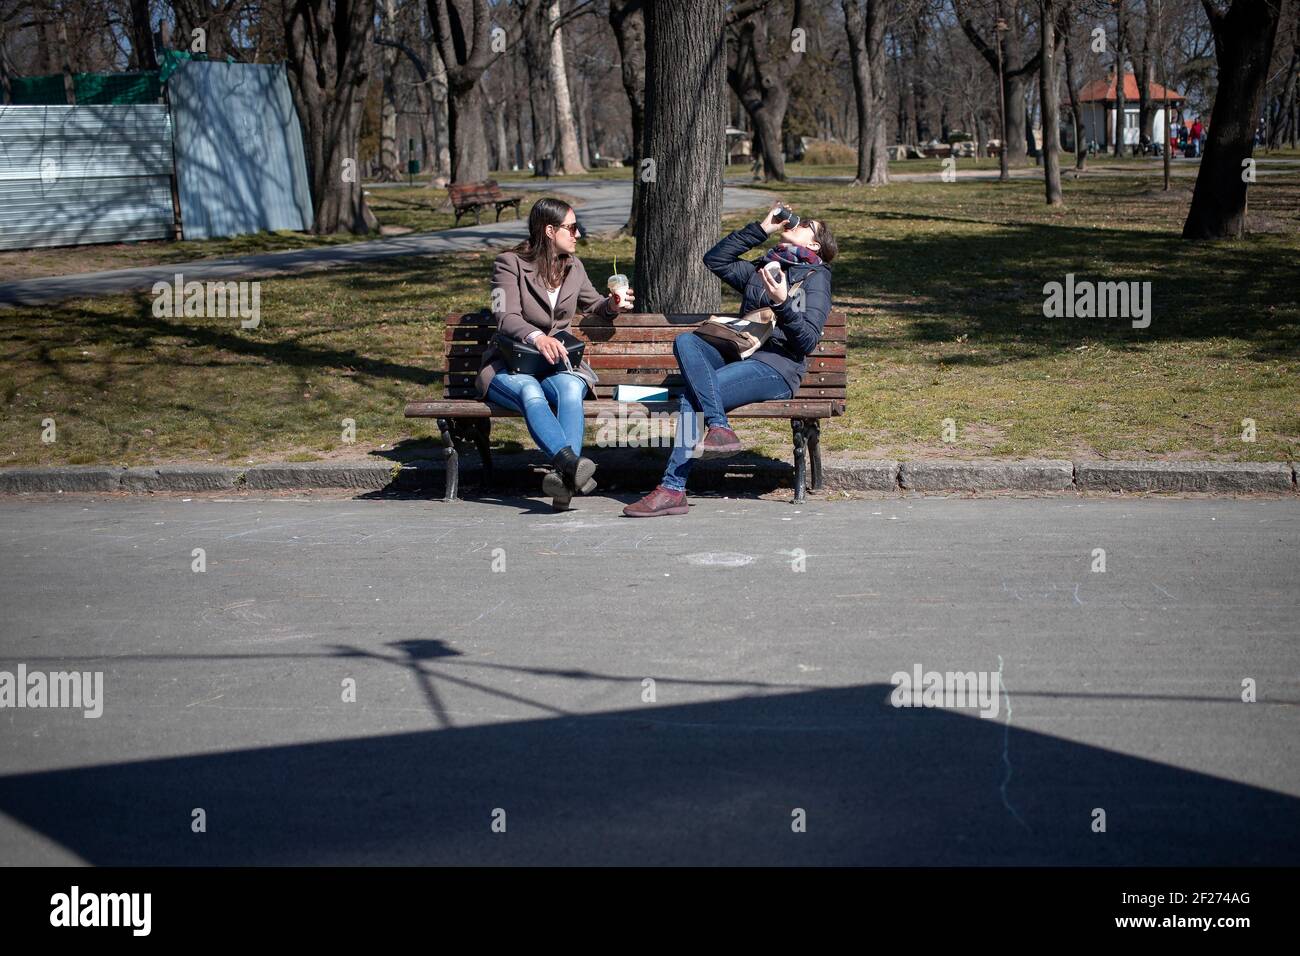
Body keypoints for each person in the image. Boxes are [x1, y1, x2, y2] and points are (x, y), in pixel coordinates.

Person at [623, 205, 836, 517]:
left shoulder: (817, 278)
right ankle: (719, 426)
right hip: (739, 354)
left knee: (693, 395)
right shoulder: (764, 268)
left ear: (814, 244)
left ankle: (672, 488)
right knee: (687, 341)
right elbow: (715, 259)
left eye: (806, 224)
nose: (797, 222)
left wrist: (782, 303)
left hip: (776, 367)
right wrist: (763, 228)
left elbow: (806, 341)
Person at [476, 197, 636, 509]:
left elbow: (593, 303)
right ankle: (571, 466)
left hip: (556, 365)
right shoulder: (508, 264)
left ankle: (564, 480)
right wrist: (537, 337)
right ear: (550, 231)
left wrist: (612, 305)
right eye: (573, 228)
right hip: (510, 366)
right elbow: (504, 316)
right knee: (531, 391)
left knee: (570, 387)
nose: (578, 234)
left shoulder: (573, 267)